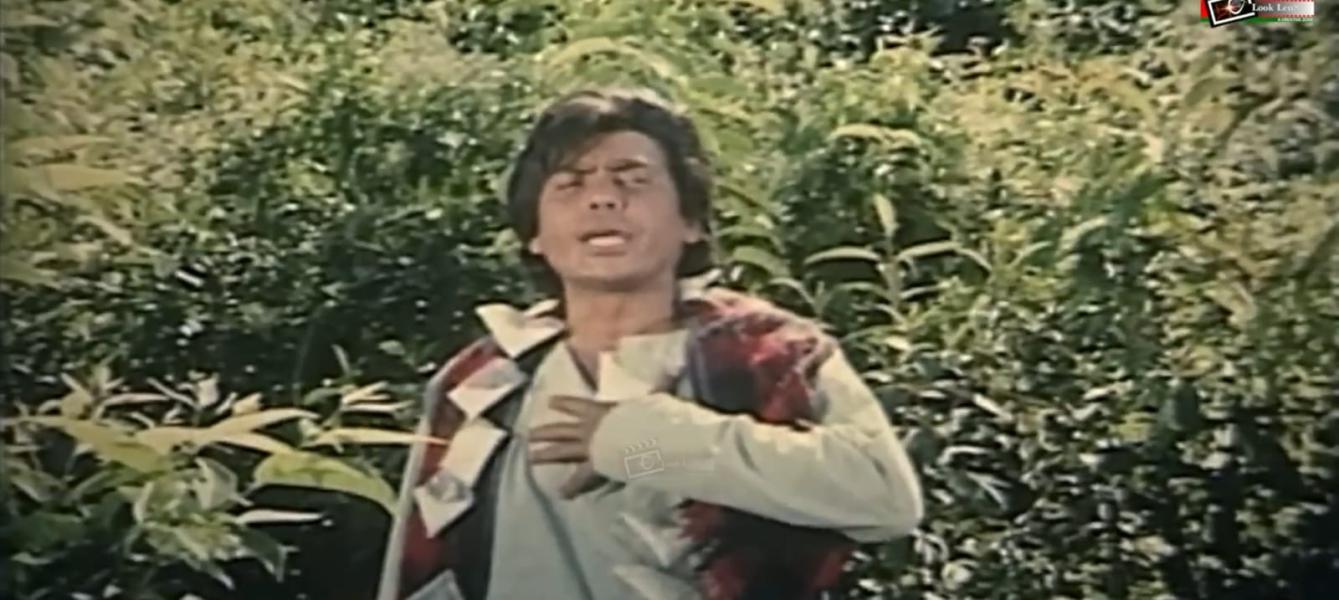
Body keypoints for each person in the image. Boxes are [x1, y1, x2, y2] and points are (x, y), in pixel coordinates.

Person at [376, 87, 923, 600]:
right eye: (570, 184)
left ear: (691, 221)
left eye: (633, 179)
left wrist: (641, 444)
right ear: (534, 233)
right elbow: (418, 566)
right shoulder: (480, 381)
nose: (602, 198)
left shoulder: (766, 354)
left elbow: (885, 497)